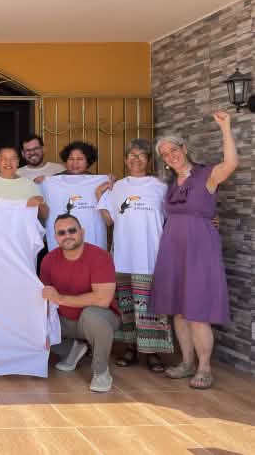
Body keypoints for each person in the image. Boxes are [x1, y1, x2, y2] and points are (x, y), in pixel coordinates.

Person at [151, 111, 237, 390]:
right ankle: (186, 362)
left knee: (197, 310)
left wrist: (225, 127)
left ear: (184, 149)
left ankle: (204, 368)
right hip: (173, 249)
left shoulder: (206, 175)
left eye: (174, 150)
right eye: (165, 154)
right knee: (178, 309)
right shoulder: (168, 184)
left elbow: (231, 163)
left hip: (200, 249)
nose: (170, 156)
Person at [95, 139, 173, 373]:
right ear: (125, 159)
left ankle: (152, 353)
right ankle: (129, 348)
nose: (136, 159)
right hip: (123, 257)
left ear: (149, 160)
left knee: (151, 307)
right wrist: (100, 195)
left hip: (151, 257)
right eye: (131, 155)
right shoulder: (117, 187)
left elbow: (174, 217)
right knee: (126, 306)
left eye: (141, 155)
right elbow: (109, 220)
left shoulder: (160, 187)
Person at [41, 214, 119, 393]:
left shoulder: (100, 257)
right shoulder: (49, 260)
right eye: (61, 233)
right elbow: (44, 300)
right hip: (64, 321)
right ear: (55, 238)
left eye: (72, 230)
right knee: (31, 319)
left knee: (94, 315)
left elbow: (103, 299)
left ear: (82, 232)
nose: (67, 235)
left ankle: (101, 372)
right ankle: (71, 350)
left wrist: (60, 298)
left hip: (96, 319)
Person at [40, 141, 109, 251]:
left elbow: (110, 217)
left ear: (88, 162)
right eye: (71, 159)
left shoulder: (99, 182)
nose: (75, 163)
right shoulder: (51, 181)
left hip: (91, 241)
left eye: (80, 159)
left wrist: (110, 182)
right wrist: (41, 183)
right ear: (66, 161)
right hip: (64, 242)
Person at [0, 147, 48, 219]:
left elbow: (45, 215)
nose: (8, 162)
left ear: (18, 162)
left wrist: (40, 205)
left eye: (13, 159)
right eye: (4, 159)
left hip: (20, 232)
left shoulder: (29, 184)